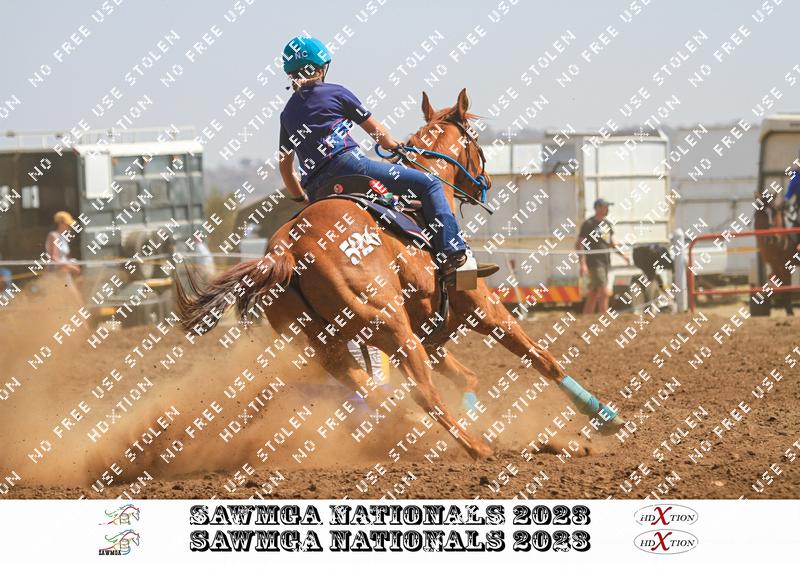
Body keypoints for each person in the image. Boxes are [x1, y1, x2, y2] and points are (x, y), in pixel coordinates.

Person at [276, 35, 498, 279]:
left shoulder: (286, 114)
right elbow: (378, 134)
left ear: (291, 74)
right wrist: (394, 145)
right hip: (351, 166)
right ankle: (454, 256)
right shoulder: (336, 93)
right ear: (322, 67)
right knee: (430, 184)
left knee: (389, 198)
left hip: (317, 187)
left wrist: (301, 198)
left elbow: (285, 168)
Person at [576, 198, 630, 314]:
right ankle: (604, 317)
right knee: (604, 292)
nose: (607, 209)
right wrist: (582, 264)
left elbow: (611, 243)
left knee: (594, 291)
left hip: (605, 261)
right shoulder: (589, 224)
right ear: (598, 208)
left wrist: (623, 255)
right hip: (594, 262)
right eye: (605, 207)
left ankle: (587, 317)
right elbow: (580, 244)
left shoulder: (607, 224)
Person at [46, 211, 83, 303]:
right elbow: (54, 258)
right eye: (68, 224)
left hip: (63, 272)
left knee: (71, 299)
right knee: (76, 300)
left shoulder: (62, 237)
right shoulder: (54, 236)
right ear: (61, 223)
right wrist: (71, 267)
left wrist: (72, 264)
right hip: (57, 273)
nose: (69, 227)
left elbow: (63, 257)